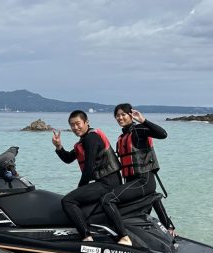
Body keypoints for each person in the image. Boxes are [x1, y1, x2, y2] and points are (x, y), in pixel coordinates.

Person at [52, 110, 126, 243]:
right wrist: (58, 146)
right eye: (72, 125)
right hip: (107, 181)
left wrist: (80, 189)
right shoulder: (85, 140)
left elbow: (89, 168)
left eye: (78, 123)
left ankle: (86, 237)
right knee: (75, 197)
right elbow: (68, 158)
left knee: (68, 201)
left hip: (108, 182)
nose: (75, 127)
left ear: (86, 122)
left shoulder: (91, 139)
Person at [104, 104, 176, 237]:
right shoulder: (121, 138)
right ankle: (167, 227)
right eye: (117, 115)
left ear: (131, 115)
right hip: (134, 182)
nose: (120, 118)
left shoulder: (138, 130)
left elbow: (163, 134)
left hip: (144, 180)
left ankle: (122, 235)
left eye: (123, 114)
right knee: (147, 199)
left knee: (108, 199)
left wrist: (143, 120)